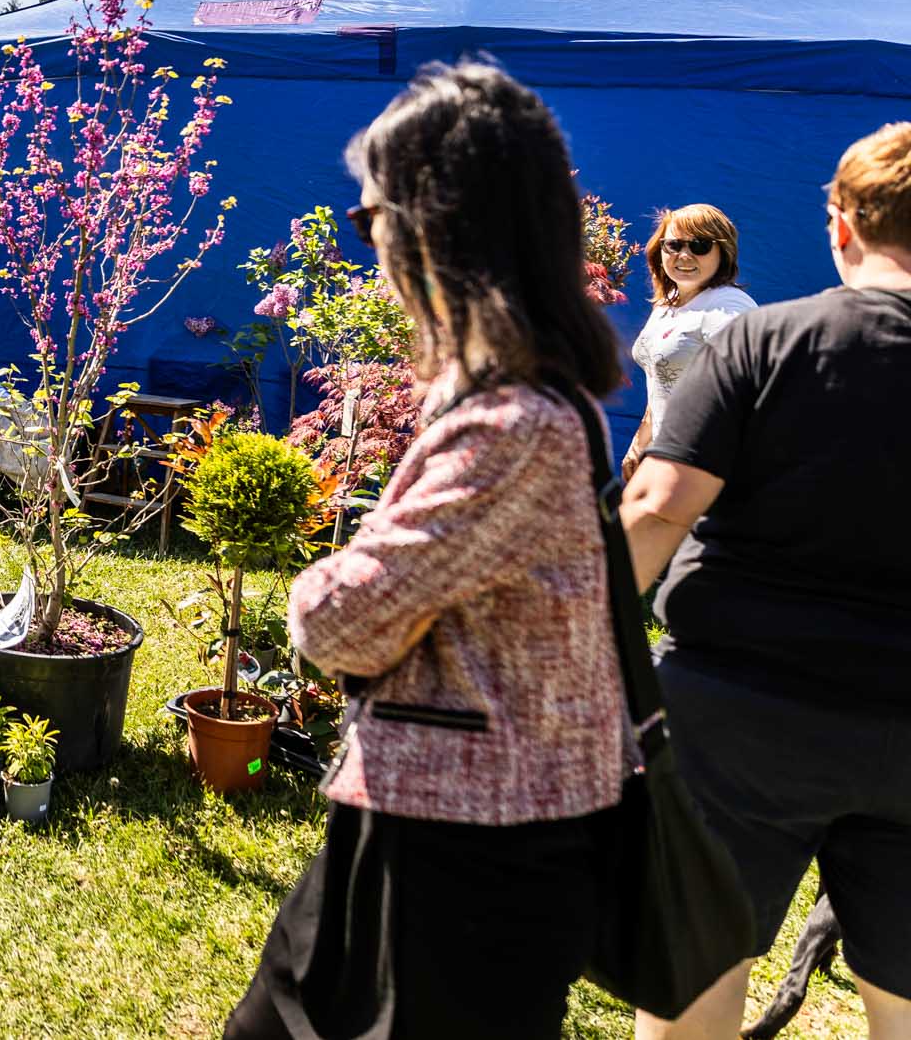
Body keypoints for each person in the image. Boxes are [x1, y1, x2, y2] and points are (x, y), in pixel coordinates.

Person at [223, 63, 627, 1040]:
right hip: (434, 824)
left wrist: (325, 573)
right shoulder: (534, 401)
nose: (369, 256)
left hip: (468, 858)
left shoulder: (513, 426)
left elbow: (336, 621)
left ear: (438, 228)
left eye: (370, 225)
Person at [623, 122, 911, 1040]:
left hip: (738, 716)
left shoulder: (761, 343)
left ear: (840, 226)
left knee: (694, 981)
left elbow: (660, 511)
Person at [621, 204, 755, 481]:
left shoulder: (726, 304)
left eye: (700, 245)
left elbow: (747, 385)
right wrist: (640, 441)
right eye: (673, 244)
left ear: (724, 252)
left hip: (706, 467)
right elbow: (665, 379)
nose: (684, 254)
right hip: (668, 458)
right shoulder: (667, 305)